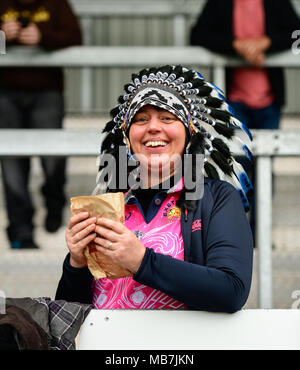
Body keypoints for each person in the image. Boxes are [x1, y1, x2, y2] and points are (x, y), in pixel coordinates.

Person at [56, 65, 253, 313]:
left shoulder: (216, 197)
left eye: (168, 117)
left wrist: (142, 261)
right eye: (141, 119)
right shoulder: (108, 205)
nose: (153, 127)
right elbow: (66, 313)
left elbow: (231, 291)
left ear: (189, 133)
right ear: (127, 137)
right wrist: (76, 264)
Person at [190, 0, 300, 237]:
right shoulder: (220, 3)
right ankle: (235, 235)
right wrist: (236, 45)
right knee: (234, 169)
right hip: (234, 103)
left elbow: (296, 33)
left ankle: (258, 234)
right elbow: (197, 35)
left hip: (269, 101)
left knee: (264, 167)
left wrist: (267, 42)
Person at [0, 0, 82, 249]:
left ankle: (54, 203)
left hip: (47, 91)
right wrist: (4, 36)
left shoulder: (56, 3)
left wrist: (42, 36)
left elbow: (75, 38)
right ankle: (21, 231)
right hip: (5, 93)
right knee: (12, 166)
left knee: (53, 159)